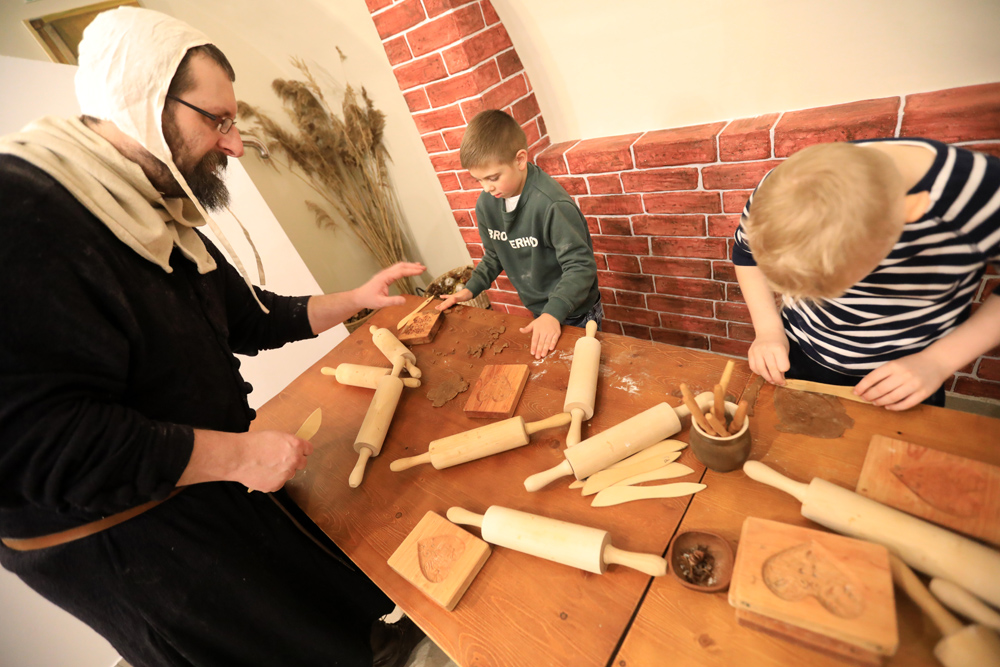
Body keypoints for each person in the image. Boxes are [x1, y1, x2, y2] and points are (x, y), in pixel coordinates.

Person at [0, 8, 425, 667]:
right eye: (218, 120)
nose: (236, 145)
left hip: (215, 488)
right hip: (146, 552)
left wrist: (355, 299)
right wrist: (236, 455)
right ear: (145, 105)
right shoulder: (21, 213)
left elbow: (248, 316)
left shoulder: (154, 206)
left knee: (337, 619)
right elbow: (43, 445)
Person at [732, 138, 1000, 411]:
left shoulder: (986, 194)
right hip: (800, 348)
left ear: (912, 211)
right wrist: (768, 330)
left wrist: (938, 362)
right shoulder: (783, 188)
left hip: (909, 369)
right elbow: (746, 254)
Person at [436, 109, 601, 359]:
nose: (486, 188)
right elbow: (494, 255)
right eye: (479, 180)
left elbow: (581, 267)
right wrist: (470, 289)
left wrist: (552, 313)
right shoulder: (487, 204)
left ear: (520, 160)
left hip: (575, 311)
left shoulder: (551, 205)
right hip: (542, 311)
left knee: (583, 368)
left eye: (493, 177)